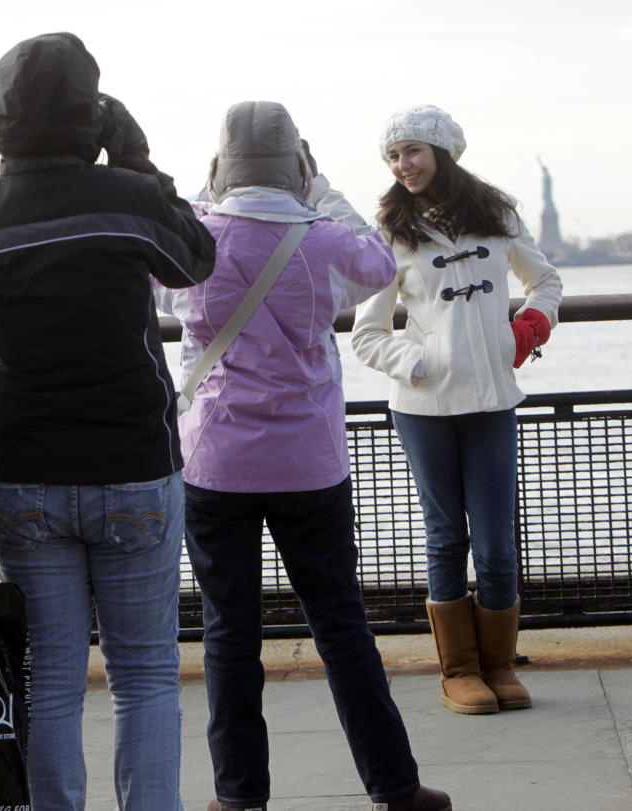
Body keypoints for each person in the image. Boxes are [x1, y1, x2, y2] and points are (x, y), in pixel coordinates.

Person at [0, 32, 216, 811]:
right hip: (132, 461)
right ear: (91, 115)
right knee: (144, 677)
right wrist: (135, 162)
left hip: (26, 468)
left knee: (50, 680)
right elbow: (197, 259)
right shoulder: (126, 201)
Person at [173, 100, 451, 811]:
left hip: (215, 462)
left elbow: (163, 283)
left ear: (220, 164)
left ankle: (238, 797)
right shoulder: (324, 238)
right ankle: (395, 786)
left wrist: (210, 194)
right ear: (296, 165)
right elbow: (378, 257)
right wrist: (320, 186)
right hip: (309, 462)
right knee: (340, 623)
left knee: (229, 629)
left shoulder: (195, 236)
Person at [352, 104, 562, 715]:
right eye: (393, 156)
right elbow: (365, 334)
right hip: (422, 406)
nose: (403, 165)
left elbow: (545, 284)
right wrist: (419, 361)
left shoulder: (495, 216)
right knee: (447, 538)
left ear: (443, 151)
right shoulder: (389, 230)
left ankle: (500, 666)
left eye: (412, 151)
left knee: (497, 542)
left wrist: (525, 332)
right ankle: (460, 672)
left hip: (494, 398)